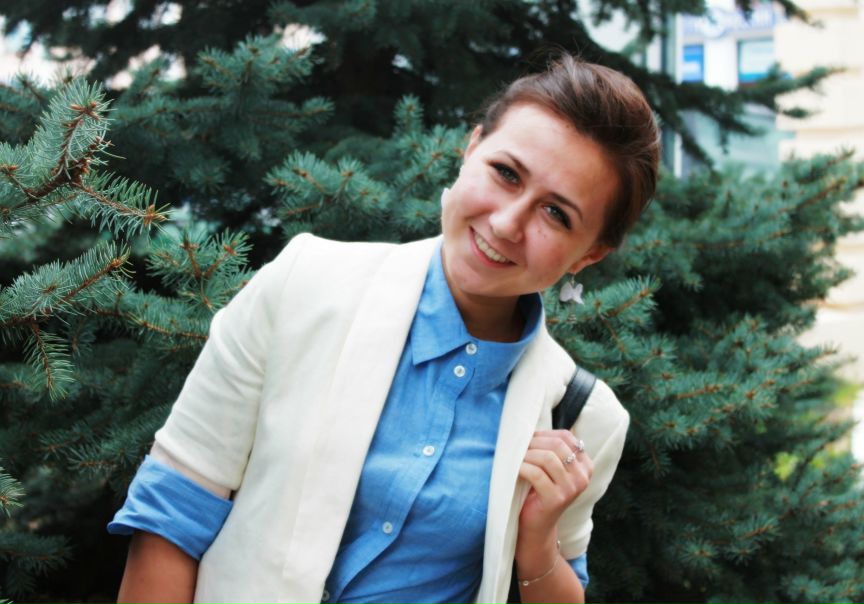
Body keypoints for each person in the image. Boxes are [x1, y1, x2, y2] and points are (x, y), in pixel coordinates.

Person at [108, 54, 660, 604]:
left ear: (588, 255)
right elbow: (174, 509)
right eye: (506, 173)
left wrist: (537, 546)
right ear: (471, 148)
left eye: (556, 214)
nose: (506, 223)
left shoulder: (583, 416)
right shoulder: (304, 283)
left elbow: (563, 584)